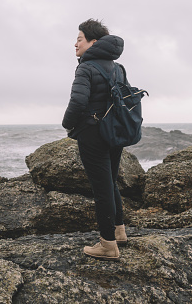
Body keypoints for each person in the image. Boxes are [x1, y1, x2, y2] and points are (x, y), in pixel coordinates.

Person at [62, 18, 128, 261]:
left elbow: (78, 102)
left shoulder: (86, 68)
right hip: (115, 132)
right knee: (110, 181)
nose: (75, 44)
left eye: (79, 39)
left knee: (101, 189)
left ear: (94, 42)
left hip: (93, 133)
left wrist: (67, 124)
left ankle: (108, 245)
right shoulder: (117, 67)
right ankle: (119, 232)